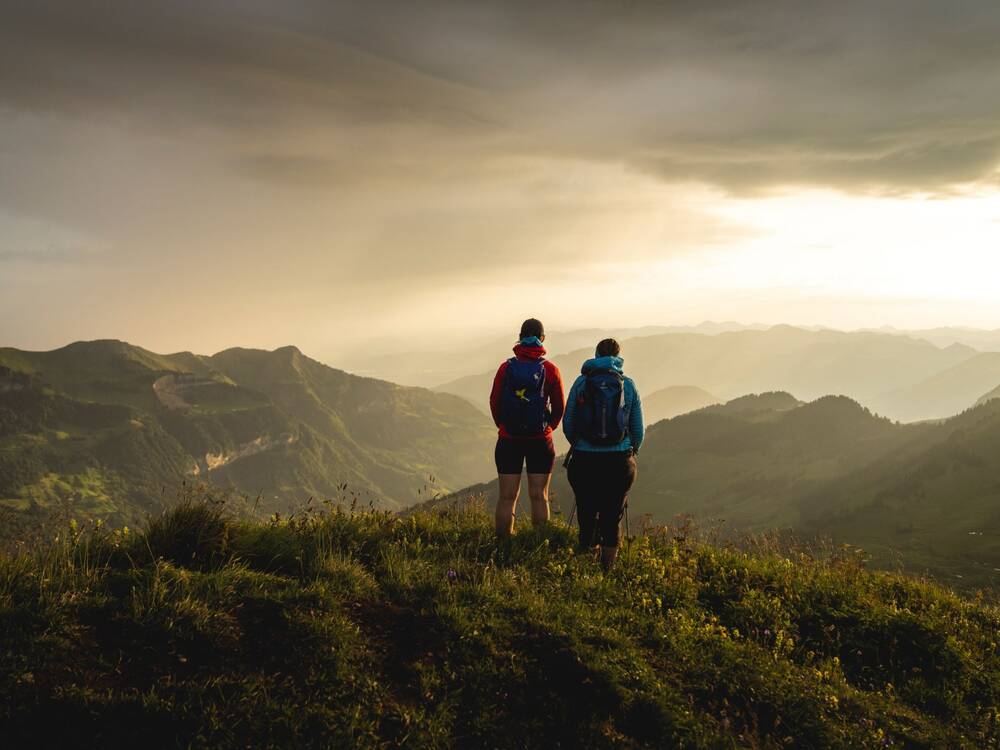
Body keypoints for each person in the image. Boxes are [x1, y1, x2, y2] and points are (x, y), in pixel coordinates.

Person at [562, 338, 643, 570]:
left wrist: (579, 444)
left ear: (596, 355)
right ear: (618, 357)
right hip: (618, 463)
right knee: (612, 515)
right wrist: (630, 450)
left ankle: (585, 564)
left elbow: (569, 422)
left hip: (585, 461)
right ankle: (607, 569)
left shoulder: (582, 382)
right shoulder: (628, 385)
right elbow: (638, 429)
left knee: (586, 511)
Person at [489, 318, 565, 540]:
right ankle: (538, 542)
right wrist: (549, 428)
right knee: (539, 496)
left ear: (520, 337)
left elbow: (495, 401)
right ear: (542, 339)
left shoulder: (506, 368)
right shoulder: (550, 370)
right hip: (540, 440)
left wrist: (503, 426)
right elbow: (559, 406)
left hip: (508, 439)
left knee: (506, 496)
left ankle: (503, 543)